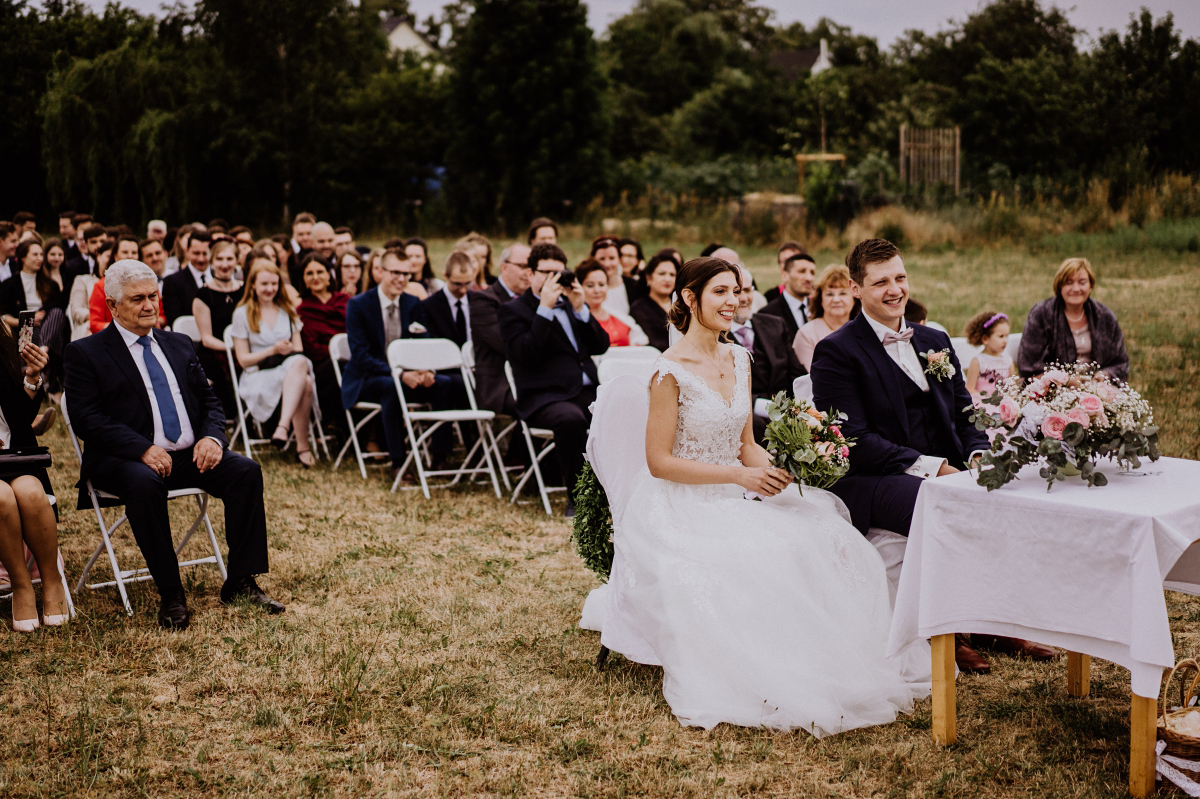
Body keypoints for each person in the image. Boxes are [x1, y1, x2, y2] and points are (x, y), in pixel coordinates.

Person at [608, 255, 928, 734]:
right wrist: (739, 478)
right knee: (763, 555)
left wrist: (780, 474)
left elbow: (746, 446)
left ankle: (835, 658)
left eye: (737, 292)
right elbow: (659, 462)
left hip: (738, 490)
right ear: (690, 298)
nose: (733, 301)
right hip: (682, 503)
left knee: (823, 529)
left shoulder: (740, 357)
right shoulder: (667, 371)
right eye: (720, 292)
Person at [809, 238, 1054, 674]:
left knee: (1011, 491)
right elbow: (853, 438)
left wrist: (978, 453)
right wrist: (932, 468)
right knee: (940, 504)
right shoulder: (836, 351)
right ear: (856, 288)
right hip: (872, 477)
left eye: (900, 278)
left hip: (948, 464)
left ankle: (992, 619)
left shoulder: (934, 339)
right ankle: (950, 630)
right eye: (880, 281)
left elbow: (965, 411)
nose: (894, 289)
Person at [64, 259, 283, 629]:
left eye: (153, 296)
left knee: (244, 470)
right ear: (113, 306)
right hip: (124, 459)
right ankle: (171, 594)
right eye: (138, 299)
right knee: (145, 482)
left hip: (185, 455)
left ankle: (241, 581)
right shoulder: (87, 352)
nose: (149, 305)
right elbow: (88, 419)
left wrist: (213, 438)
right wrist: (141, 449)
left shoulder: (178, 343)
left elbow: (209, 401)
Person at [498, 243, 609, 516]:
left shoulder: (571, 306)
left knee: (620, 411)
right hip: (543, 396)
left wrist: (582, 309)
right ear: (531, 274)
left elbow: (600, 345)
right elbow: (526, 354)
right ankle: (579, 498)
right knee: (571, 420)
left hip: (584, 390)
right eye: (546, 272)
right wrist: (544, 311)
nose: (553, 279)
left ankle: (615, 491)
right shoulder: (513, 311)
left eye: (559, 273)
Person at [341, 251, 448, 476]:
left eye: (406, 274)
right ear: (380, 272)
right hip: (366, 379)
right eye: (395, 273)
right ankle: (398, 461)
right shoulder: (358, 305)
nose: (401, 279)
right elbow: (360, 356)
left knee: (445, 383)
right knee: (391, 387)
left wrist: (425, 370)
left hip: (407, 376)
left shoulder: (412, 303)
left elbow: (422, 342)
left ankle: (439, 459)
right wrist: (399, 375)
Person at [0, 323, 70, 631]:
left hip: (14, 455)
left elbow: (19, 417)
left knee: (30, 491)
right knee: (1, 497)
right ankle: (21, 584)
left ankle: (51, 579)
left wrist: (31, 378)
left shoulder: (1, 337)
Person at [230, 260, 316, 468]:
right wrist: (272, 349)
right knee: (305, 381)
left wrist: (286, 350)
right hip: (257, 375)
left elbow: (298, 349)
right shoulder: (242, 313)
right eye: (264, 284)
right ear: (253, 285)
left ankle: (283, 427)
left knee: (301, 363)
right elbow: (243, 360)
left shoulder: (288, 311)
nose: (270, 289)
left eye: (274, 284)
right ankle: (301, 446)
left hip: (288, 369)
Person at [724, 266, 804, 440]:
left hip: (788, 413)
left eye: (747, 290)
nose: (744, 299)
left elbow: (796, 373)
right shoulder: (715, 336)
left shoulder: (775, 325)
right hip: (746, 421)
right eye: (737, 292)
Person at [1017, 257, 1128, 381]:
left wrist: (1103, 376)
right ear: (1060, 286)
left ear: (1091, 285)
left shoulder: (1105, 317)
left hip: (1096, 386)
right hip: (1052, 388)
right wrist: (1066, 380)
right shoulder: (1041, 314)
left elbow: (1120, 363)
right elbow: (1029, 366)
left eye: (1082, 282)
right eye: (1069, 282)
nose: (1076, 289)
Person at [470, 243, 530, 416]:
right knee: (539, 402)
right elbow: (507, 345)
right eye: (523, 266)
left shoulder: (536, 300)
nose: (529, 272)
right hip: (499, 385)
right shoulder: (484, 300)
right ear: (504, 267)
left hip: (531, 380)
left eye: (532, 267)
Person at [296, 254, 349, 433]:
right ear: (304, 279)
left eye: (320, 272)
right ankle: (341, 425)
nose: (315, 277)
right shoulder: (302, 310)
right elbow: (311, 348)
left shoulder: (346, 302)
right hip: (322, 367)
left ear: (329, 276)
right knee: (337, 370)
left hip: (352, 359)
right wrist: (338, 351)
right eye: (309, 273)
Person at [192, 240, 244, 420]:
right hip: (215, 353)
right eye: (219, 259)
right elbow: (206, 338)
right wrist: (234, 349)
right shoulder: (203, 295)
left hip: (243, 350)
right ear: (212, 262)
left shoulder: (245, 291)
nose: (224, 264)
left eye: (230, 258)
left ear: (237, 261)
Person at [792, 264, 858, 371]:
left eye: (842, 293)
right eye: (830, 294)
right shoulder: (807, 334)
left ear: (855, 298)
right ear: (820, 300)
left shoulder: (864, 330)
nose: (836, 299)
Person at [577, 259, 648, 347]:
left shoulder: (618, 315)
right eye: (590, 286)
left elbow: (640, 340)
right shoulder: (578, 318)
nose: (597, 290)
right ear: (579, 287)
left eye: (601, 285)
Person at [756, 252, 816, 352]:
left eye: (812, 273)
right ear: (785, 276)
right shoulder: (768, 314)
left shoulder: (818, 308)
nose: (809, 278)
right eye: (802, 271)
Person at [88, 235, 143, 334]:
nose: (130, 256)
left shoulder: (148, 283)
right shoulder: (101, 286)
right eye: (125, 252)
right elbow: (95, 324)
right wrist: (125, 330)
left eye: (134, 252)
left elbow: (161, 317)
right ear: (115, 256)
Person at [964, 311, 1017, 404]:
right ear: (985, 339)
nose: (1005, 341)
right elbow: (970, 390)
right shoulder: (978, 362)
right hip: (983, 406)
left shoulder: (1007, 361)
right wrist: (988, 401)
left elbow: (1013, 388)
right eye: (1001, 336)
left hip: (1004, 406)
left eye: (1006, 336)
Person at [629, 252, 676, 352]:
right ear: (648, 278)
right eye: (662, 274)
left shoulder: (683, 305)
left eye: (672, 275)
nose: (667, 279)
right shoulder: (639, 309)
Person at [163, 230, 211, 326]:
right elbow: (175, 320)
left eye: (205, 253)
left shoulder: (219, 278)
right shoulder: (173, 281)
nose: (201, 259)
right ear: (187, 251)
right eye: (196, 253)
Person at [69, 241, 112, 341]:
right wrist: (98, 316)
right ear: (98, 257)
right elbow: (76, 311)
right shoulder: (83, 280)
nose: (111, 260)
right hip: (90, 326)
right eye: (108, 256)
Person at [592, 236, 640, 316]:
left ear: (619, 259)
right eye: (602, 259)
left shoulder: (633, 286)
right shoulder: (587, 288)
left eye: (612, 258)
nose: (607, 264)